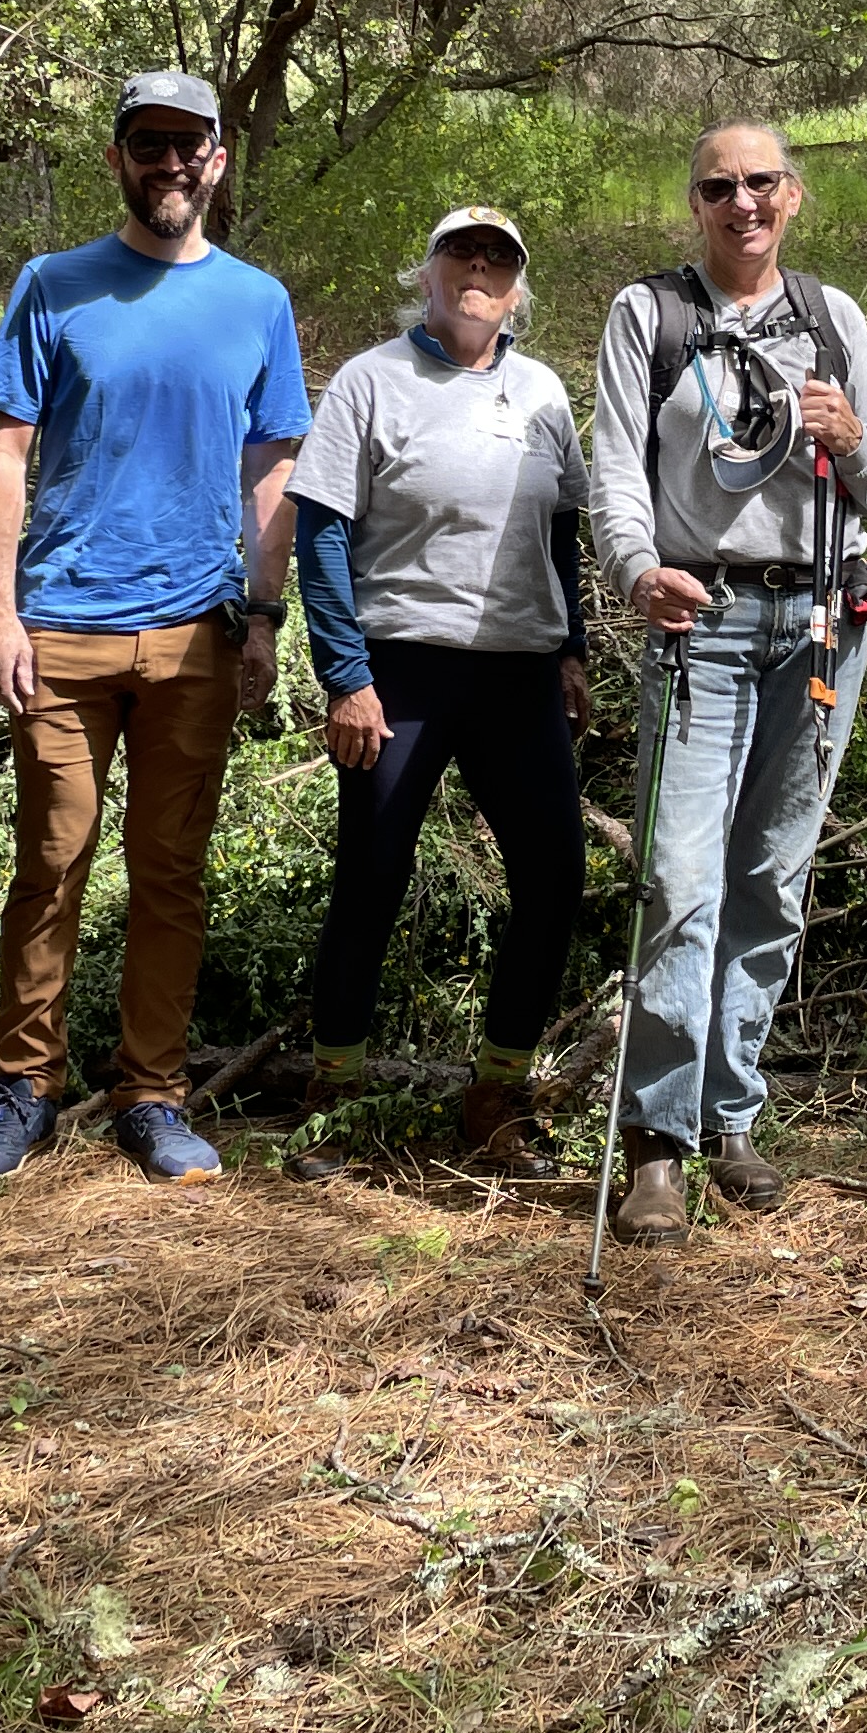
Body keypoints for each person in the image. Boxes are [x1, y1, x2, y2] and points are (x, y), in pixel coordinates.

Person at [0, 71, 308, 1187]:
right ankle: (26, 1086)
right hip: (61, 629)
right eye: (147, 143)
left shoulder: (257, 301)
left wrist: (262, 620)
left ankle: (151, 1093)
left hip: (196, 633)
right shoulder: (57, 287)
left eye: (187, 145)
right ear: (118, 158)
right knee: (51, 858)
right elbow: (2, 452)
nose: (169, 162)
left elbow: (272, 469)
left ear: (216, 160)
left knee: (170, 872)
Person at [585, 122, 867, 1245]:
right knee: (679, 877)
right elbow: (614, 469)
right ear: (697, 204)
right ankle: (658, 1143)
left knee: (772, 875)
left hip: (817, 620)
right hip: (699, 617)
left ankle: (732, 1117)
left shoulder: (832, 317)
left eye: (761, 183)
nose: (742, 203)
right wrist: (635, 571)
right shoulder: (650, 316)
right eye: (719, 187)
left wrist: (852, 432)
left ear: (794, 195)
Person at [285, 205, 592, 1179]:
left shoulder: (542, 390)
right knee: (372, 875)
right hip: (401, 668)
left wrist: (573, 648)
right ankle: (332, 1097)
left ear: (517, 287)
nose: (477, 270)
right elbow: (322, 531)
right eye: (460, 253)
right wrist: (346, 676)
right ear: (426, 273)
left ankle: (495, 1095)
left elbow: (562, 532)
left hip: (518, 671)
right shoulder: (373, 382)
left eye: (497, 260)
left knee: (555, 876)